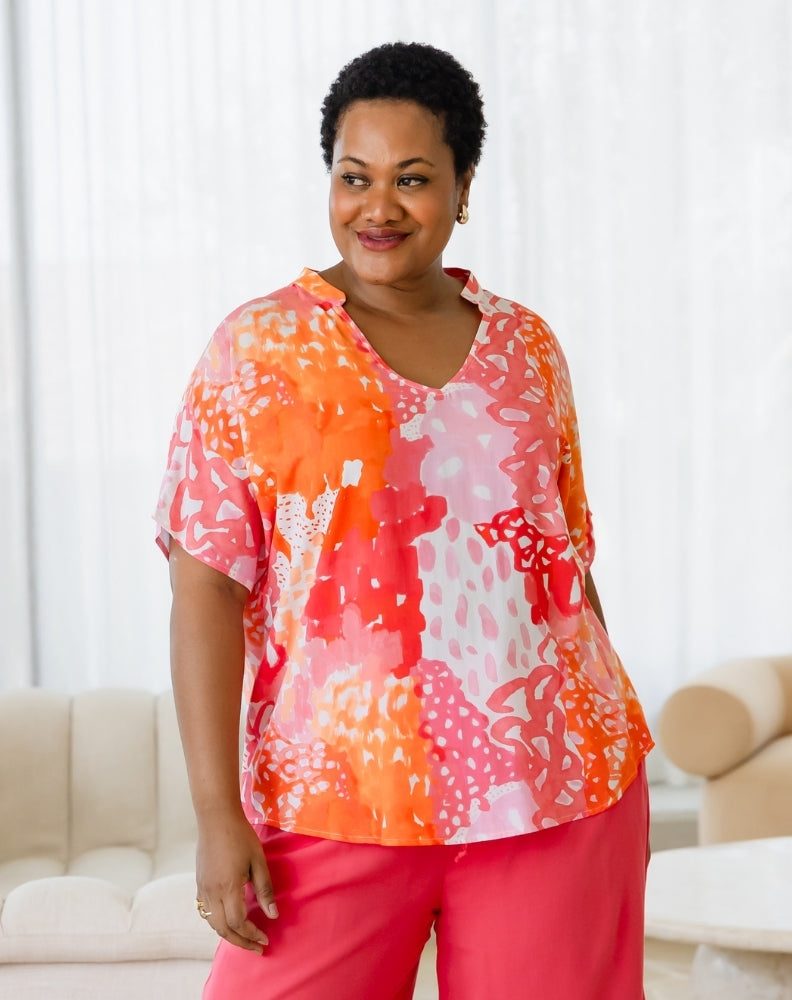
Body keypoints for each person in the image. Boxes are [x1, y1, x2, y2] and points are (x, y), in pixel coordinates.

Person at [155, 41, 654, 1000]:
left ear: (464, 190)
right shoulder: (256, 350)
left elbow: (567, 567)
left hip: (554, 791)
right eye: (354, 177)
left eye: (414, 178)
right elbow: (205, 589)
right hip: (333, 797)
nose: (377, 208)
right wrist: (220, 817)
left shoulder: (527, 347)